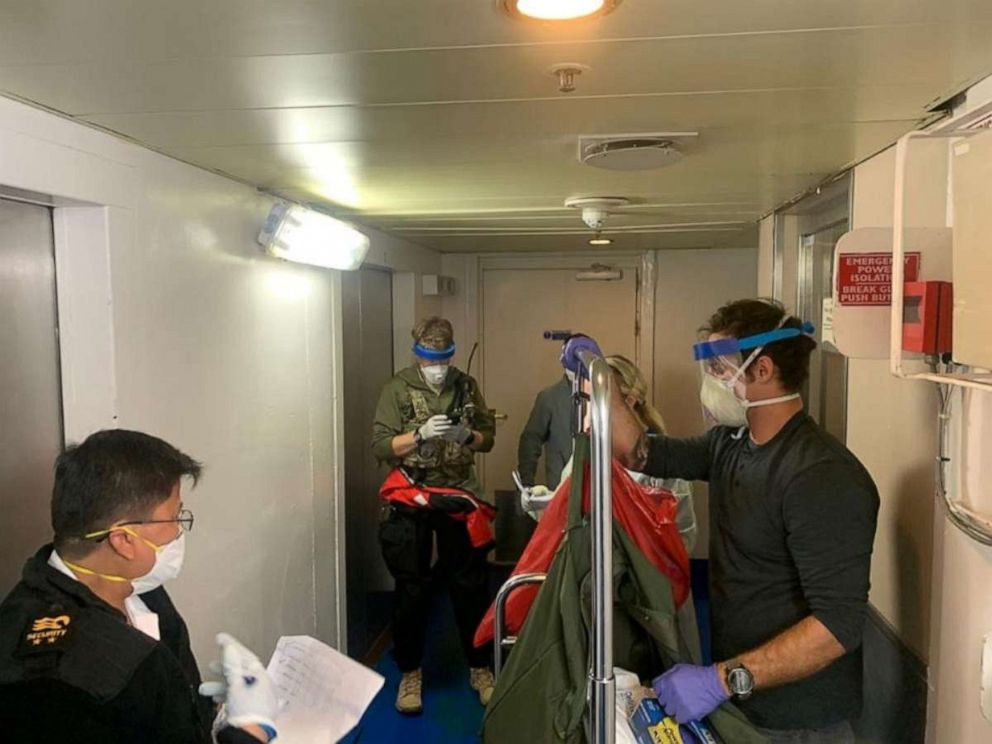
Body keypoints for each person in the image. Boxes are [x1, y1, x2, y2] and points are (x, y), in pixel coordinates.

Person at [625, 299, 879, 744]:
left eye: (720, 368)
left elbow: (837, 627)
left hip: (800, 720)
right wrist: (600, 384)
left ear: (762, 371)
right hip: (745, 704)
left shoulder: (820, 475)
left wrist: (720, 680)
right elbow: (643, 451)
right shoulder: (731, 444)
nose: (710, 382)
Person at [0, 429, 279, 744]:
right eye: (173, 519)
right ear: (123, 540)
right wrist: (251, 731)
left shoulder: (144, 595)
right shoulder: (69, 677)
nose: (178, 533)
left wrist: (204, 710)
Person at [371, 316, 497, 715]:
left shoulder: (466, 386)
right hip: (414, 495)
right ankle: (410, 672)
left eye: (444, 358)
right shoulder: (397, 389)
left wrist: (468, 437)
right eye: (430, 360)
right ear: (418, 356)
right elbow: (380, 446)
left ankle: (480, 668)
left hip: (459, 495)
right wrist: (419, 435)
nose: (438, 367)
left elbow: (488, 438)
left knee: (470, 585)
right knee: (411, 587)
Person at [604, 354, 697, 554]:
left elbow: (682, 538)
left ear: (629, 401)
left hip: (649, 578)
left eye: (597, 400)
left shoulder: (660, 462)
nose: (589, 409)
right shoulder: (591, 452)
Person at [516, 336, 585, 491]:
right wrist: (526, 483)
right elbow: (530, 440)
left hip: (599, 490)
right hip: (560, 490)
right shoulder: (550, 398)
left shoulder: (603, 398)